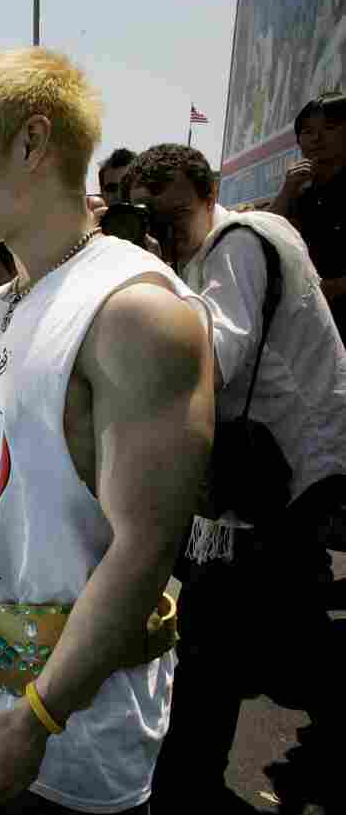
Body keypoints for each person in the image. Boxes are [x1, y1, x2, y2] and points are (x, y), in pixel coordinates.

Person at [0, 48, 214, 814]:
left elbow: (146, 546)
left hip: (69, 745)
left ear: (31, 143)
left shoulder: (136, 312)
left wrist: (42, 713)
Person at [122, 143, 346, 810]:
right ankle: (190, 778)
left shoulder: (235, 246)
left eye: (175, 216)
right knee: (249, 629)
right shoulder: (234, 235)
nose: (166, 233)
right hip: (280, 464)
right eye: (151, 220)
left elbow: (208, 364)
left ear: (209, 191)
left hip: (291, 467)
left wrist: (151, 285)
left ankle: (188, 783)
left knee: (241, 635)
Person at [269, 92, 346, 340]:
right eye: (307, 132)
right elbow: (265, 235)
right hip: (313, 325)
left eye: (330, 128)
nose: (317, 138)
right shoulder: (299, 192)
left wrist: (337, 286)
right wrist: (286, 191)